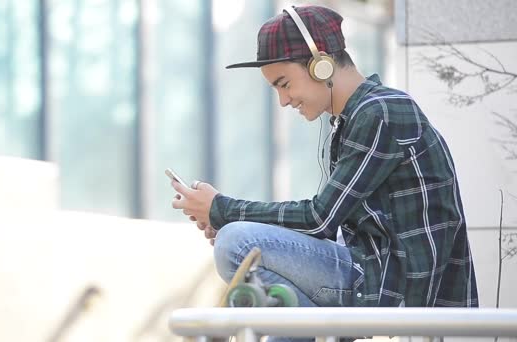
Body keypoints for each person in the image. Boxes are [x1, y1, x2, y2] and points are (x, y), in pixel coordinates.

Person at [171, 4, 478, 340]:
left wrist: (222, 210)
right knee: (250, 262)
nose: (283, 101)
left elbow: (320, 218)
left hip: (397, 292)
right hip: (377, 282)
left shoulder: (381, 112)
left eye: (284, 83)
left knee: (237, 244)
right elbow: (331, 230)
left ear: (321, 64)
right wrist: (234, 220)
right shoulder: (356, 119)